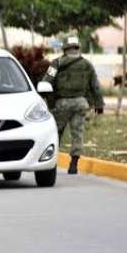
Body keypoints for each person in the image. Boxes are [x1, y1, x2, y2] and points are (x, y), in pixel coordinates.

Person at [42, 35, 104, 174]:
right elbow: (95, 86)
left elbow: (46, 82)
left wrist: (47, 100)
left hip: (61, 104)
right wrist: (99, 105)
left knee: (55, 133)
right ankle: (74, 164)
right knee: (78, 133)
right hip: (80, 103)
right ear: (78, 48)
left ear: (65, 49)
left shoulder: (56, 63)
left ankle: (50, 162)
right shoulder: (87, 64)